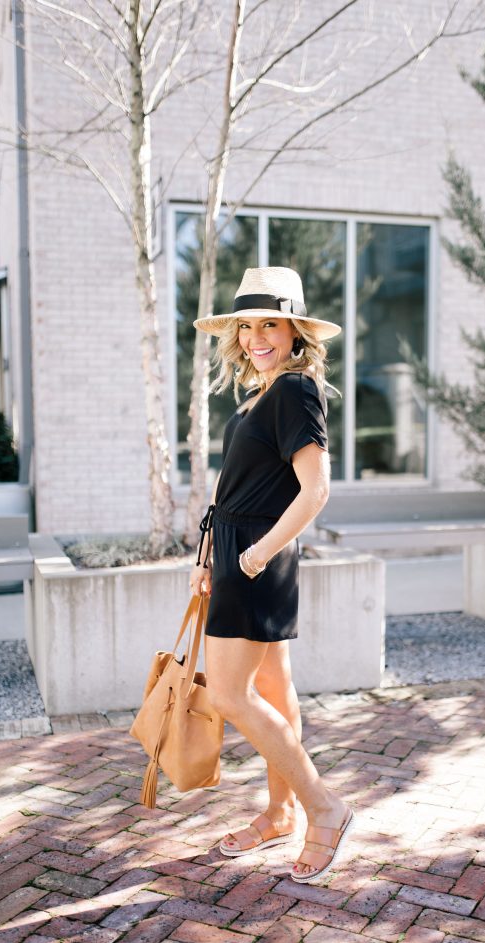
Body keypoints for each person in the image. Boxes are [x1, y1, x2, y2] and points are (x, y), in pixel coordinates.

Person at [189, 266, 354, 884]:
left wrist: (253, 557)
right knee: (276, 693)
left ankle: (324, 807)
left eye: (271, 324)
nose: (258, 335)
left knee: (231, 696)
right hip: (237, 550)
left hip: (258, 556)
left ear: (294, 332)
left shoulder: (293, 391)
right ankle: (280, 813)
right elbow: (232, 488)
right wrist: (207, 555)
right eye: (248, 325)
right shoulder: (260, 392)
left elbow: (315, 492)